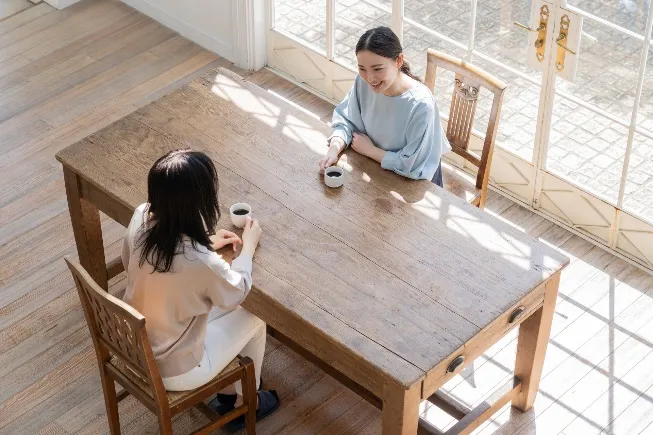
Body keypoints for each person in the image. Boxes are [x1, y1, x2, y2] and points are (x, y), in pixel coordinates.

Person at [121, 149, 279, 430]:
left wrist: (204, 242)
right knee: (255, 316)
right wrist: (249, 246)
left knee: (214, 306)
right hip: (175, 369)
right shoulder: (198, 261)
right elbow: (238, 290)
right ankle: (246, 402)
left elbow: (130, 262)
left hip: (136, 347)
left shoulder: (139, 218)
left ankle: (229, 394)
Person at [319, 26, 451, 186]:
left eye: (378, 69)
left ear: (399, 61)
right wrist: (334, 148)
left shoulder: (421, 105)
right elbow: (347, 121)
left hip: (414, 183)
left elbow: (412, 165)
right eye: (362, 69)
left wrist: (370, 150)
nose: (370, 78)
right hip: (375, 170)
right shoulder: (363, 82)